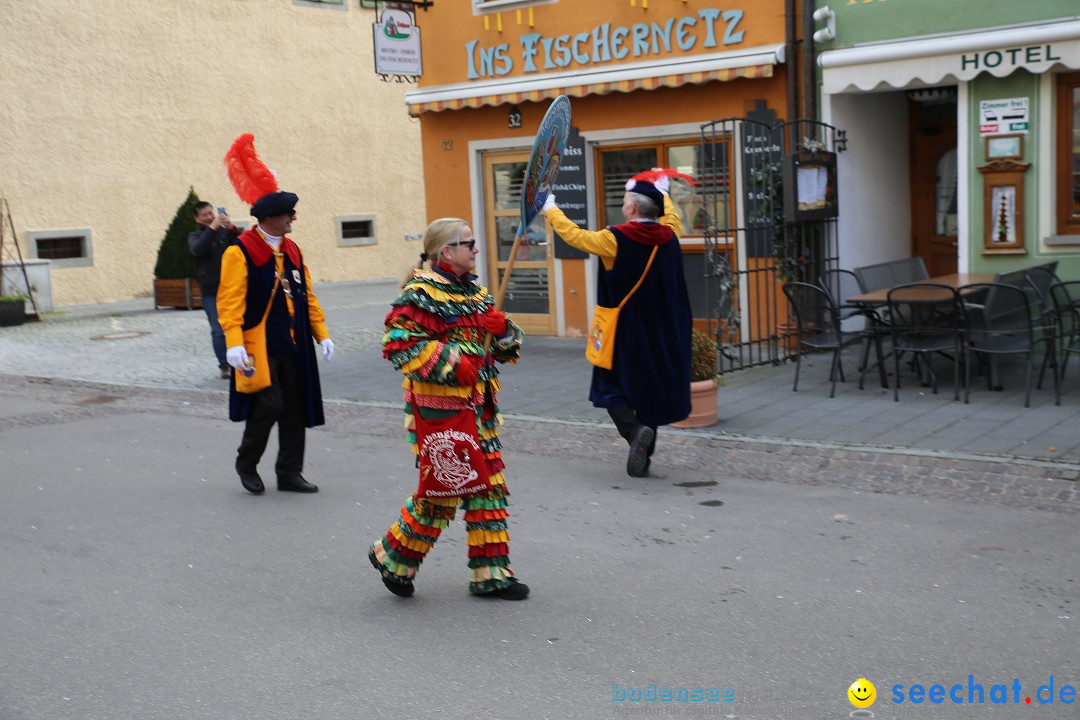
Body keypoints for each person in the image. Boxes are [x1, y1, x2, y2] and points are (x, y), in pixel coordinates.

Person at [368, 218, 529, 600]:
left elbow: (505, 349)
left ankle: (491, 574)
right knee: (443, 491)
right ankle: (393, 557)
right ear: (446, 251)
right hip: (440, 411)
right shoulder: (421, 292)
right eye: (468, 243)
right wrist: (456, 363)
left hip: (481, 409)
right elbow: (399, 344)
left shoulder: (476, 293)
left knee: (488, 489)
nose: (475, 249)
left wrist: (503, 329)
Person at [543, 175, 691, 477]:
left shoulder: (615, 238)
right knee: (649, 390)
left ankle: (633, 431)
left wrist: (551, 210)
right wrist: (665, 193)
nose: (623, 206)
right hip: (663, 329)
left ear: (633, 210)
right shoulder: (670, 234)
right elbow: (672, 216)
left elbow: (576, 237)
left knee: (609, 386)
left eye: (625, 202)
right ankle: (643, 456)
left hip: (625, 331)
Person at [216, 191, 335, 495]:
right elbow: (229, 302)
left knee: (295, 407)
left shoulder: (293, 250)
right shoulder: (239, 251)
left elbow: (306, 296)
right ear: (270, 218)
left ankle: (289, 472)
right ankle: (247, 461)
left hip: (294, 342)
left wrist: (321, 334)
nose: (294, 218)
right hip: (259, 343)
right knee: (270, 404)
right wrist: (233, 343)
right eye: (289, 214)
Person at [189, 201, 240, 379]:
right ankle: (225, 366)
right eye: (205, 215)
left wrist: (231, 228)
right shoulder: (195, 236)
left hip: (234, 287)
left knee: (241, 324)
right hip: (211, 290)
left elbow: (241, 245)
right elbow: (199, 249)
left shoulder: (224, 233)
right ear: (197, 218)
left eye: (211, 213)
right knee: (218, 329)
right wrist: (212, 228)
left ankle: (243, 360)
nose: (210, 217)